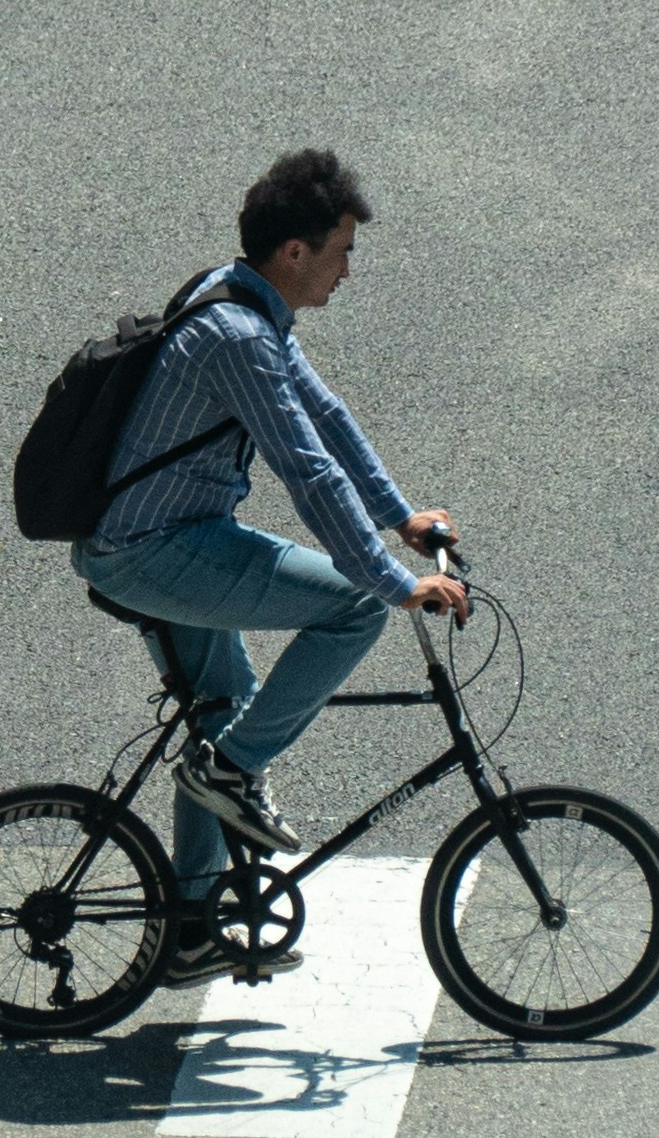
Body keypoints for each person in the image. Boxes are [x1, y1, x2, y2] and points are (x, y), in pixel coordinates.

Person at [72, 149, 469, 980]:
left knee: (223, 710)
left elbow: (326, 416)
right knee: (352, 609)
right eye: (342, 251)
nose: (348, 272)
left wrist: (400, 514)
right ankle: (232, 771)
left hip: (150, 537)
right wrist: (392, 581)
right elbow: (306, 470)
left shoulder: (237, 294)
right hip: (155, 551)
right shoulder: (238, 338)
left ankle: (185, 935)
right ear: (295, 251)